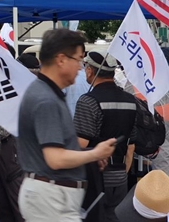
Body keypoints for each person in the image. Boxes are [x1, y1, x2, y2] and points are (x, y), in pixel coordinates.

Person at [17, 29, 117, 222]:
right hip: (51, 199)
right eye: (78, 59)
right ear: (61, 59)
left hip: (52, 197)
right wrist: (95, 154)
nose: (81, 67)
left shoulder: (47, 93)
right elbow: (55, 158)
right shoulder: (46, 99)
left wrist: (88, 156)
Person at [73, 51, 137, 222]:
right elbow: (131, 146)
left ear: (89, 71)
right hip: (121, 177)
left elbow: (81, 143)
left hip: (95, 178)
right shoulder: (131, 101)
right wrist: (123, 171)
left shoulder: (88, 101)